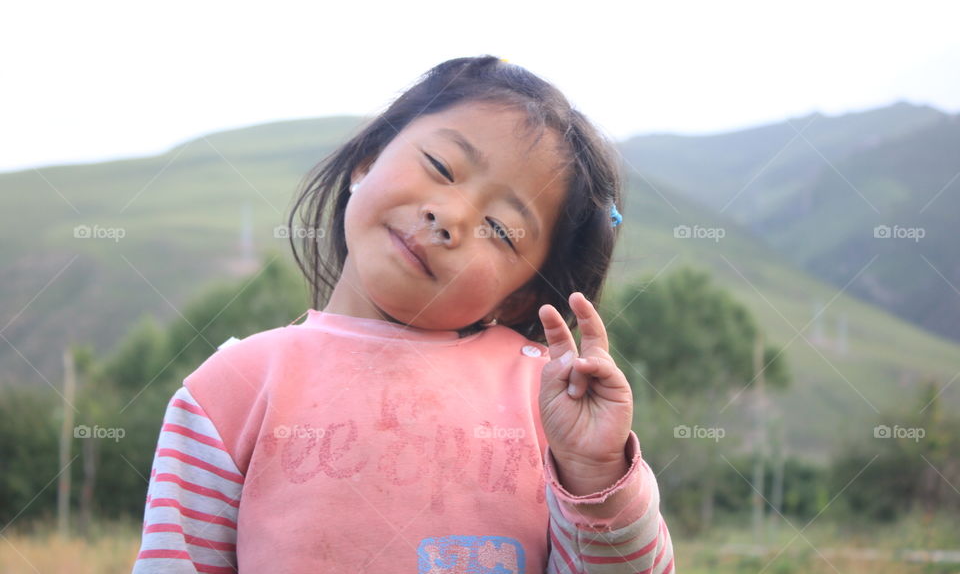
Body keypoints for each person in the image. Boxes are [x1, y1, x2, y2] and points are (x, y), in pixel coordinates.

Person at [131, 55, 675, 573]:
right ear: (367, 161)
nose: (449, 216)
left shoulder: (549, 399)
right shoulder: (232, 388)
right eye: (441, 166)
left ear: (518, 298)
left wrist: (594, 472)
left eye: (503, 230)